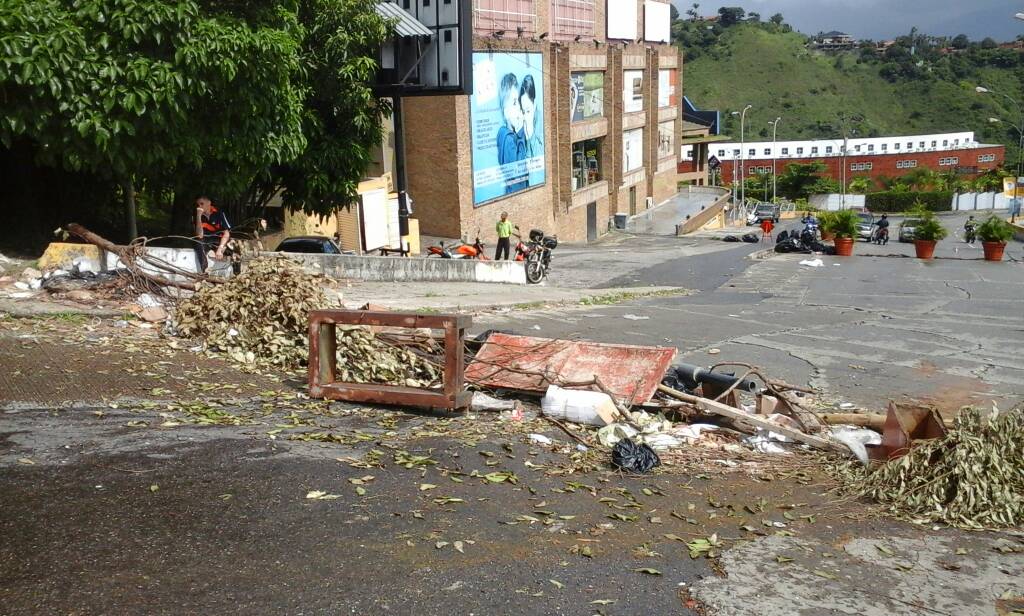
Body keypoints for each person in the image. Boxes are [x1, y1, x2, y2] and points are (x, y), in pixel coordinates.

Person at [495, 73, 527, 194]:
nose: (519, 107)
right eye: (514, 102)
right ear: (506, 111)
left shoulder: (507, 135)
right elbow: (519, 174)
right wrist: (520, 132)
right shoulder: (509, 139)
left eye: (518, 101)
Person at [194, 196, 231, 272]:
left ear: (209, 203)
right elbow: (199, 235)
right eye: (198, 205)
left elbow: (226, 234)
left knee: (233, 247)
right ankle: (205, 270)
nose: (200, 206)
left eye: (202, 204)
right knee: (198, 242)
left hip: (219, 240)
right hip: (206, 240)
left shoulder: (219, 212)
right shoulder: (197, 215)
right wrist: (198, 216)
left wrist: (220, 248)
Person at [519, 74, 542, 159]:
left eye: (528, 111)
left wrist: (531, 136)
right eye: (523, 111)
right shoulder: (522, 124)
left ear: (534, 104)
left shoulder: (541, 122)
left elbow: (540, 160)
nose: (524, 117)